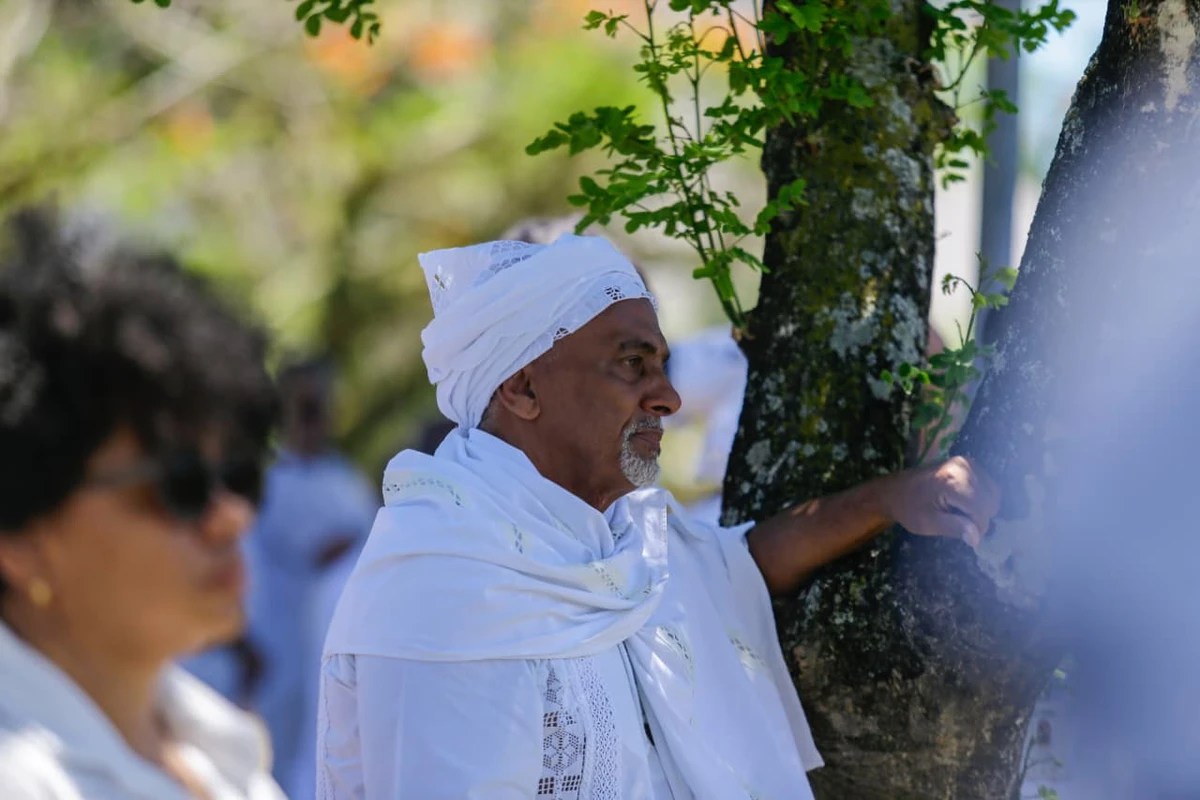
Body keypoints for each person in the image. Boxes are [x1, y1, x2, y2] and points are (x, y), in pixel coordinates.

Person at [316, 234, 999, 798]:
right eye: (632, 364)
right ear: (522, 387)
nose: (668, 397)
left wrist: (888, 499)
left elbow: (737, 566)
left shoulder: (620, 535)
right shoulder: (441, 585)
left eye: (662, 365)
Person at [0, 208, 284, 799]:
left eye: (237, 473)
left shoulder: (215, 745)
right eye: (180, 484)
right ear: (21, 540)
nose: (232, 516)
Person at [243, 356, 378, 800]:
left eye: (317, 406)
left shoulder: (347, 480)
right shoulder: (268, 482)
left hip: (335, 646)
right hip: (279, 650)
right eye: (303, 406)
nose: (312, 417)